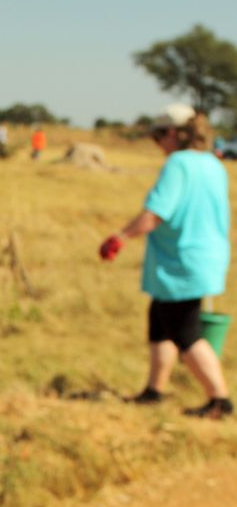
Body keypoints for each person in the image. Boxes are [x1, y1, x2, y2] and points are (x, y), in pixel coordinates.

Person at [99, 102, 231, 418]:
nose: (158, 145)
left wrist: (120, 237)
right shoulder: (212, 163)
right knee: (160, 322)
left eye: (158, 137)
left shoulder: (179, 164)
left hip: (181, 262)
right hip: (204, 256)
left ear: (172, 133)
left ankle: (220, 401)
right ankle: (154, 391)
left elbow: (156, 213)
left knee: (185, 333)